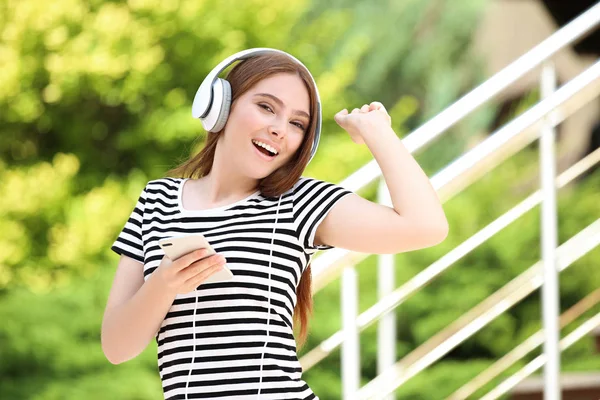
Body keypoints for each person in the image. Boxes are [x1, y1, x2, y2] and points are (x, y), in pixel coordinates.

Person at [101, 48, 449, 400]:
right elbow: (117, 346)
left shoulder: (300, 202)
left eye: (297, 123)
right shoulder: (157, 200)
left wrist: (377, 133)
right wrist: (164, 282)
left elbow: (426, 226)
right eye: (266, 107)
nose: (279, 129)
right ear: (221, 106)